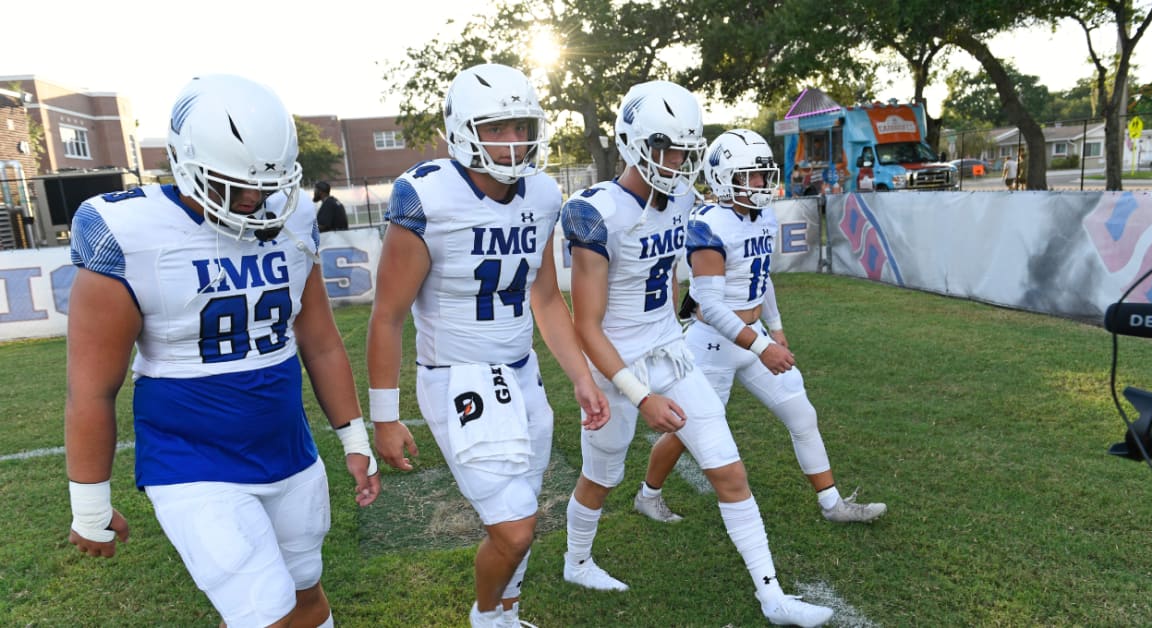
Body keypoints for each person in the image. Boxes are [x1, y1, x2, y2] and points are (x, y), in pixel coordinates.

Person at [64, 74, 381, 628]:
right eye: (235, 184)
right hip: (192, 458)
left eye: (268, 183)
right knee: (266, 614)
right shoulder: (130, 231)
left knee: (306, 599)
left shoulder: (294, 220)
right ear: (187, 164)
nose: (255, 199)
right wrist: (89, 501)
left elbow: (321, 342)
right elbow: (92, 387)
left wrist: (354, 440)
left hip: (288, 449)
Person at [559, 81, 834, 627]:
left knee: (729, 471)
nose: (676, 162)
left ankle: (773, 597)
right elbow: (585, 325)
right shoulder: (595, 211)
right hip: (614, 361)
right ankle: (577, 561)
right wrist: (641, 398)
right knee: (601, 476)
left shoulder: (685, 199)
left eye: (685, 151)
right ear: (633, 142)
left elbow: (685, 273)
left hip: (671, 350)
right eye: (666, 149)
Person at [366, 63, 609, 628]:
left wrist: (580, 375)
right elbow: (388, 316)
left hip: (522, 371)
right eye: (496, 128)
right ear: (462, 130)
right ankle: (485, 618)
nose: (513, 140)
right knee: (515, 528)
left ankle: (508, 614)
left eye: (521, 125)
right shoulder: (426, 195)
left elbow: (544, 295)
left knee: (523, 511)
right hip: (458, 376)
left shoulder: (542, 192)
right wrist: (384, 416)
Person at [633, 129, 886, 529]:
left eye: (764, 174)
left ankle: (832, 503)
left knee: (802, 415)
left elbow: (761, 276)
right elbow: (712, 306)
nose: (761, 183)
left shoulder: (763, 216)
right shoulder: (708, 225)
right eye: (750, 175)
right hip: (711, 344)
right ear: (723, 177)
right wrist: (762, 347)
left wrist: (775, 326)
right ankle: (648, 495)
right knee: (685, 430)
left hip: (753, 337)